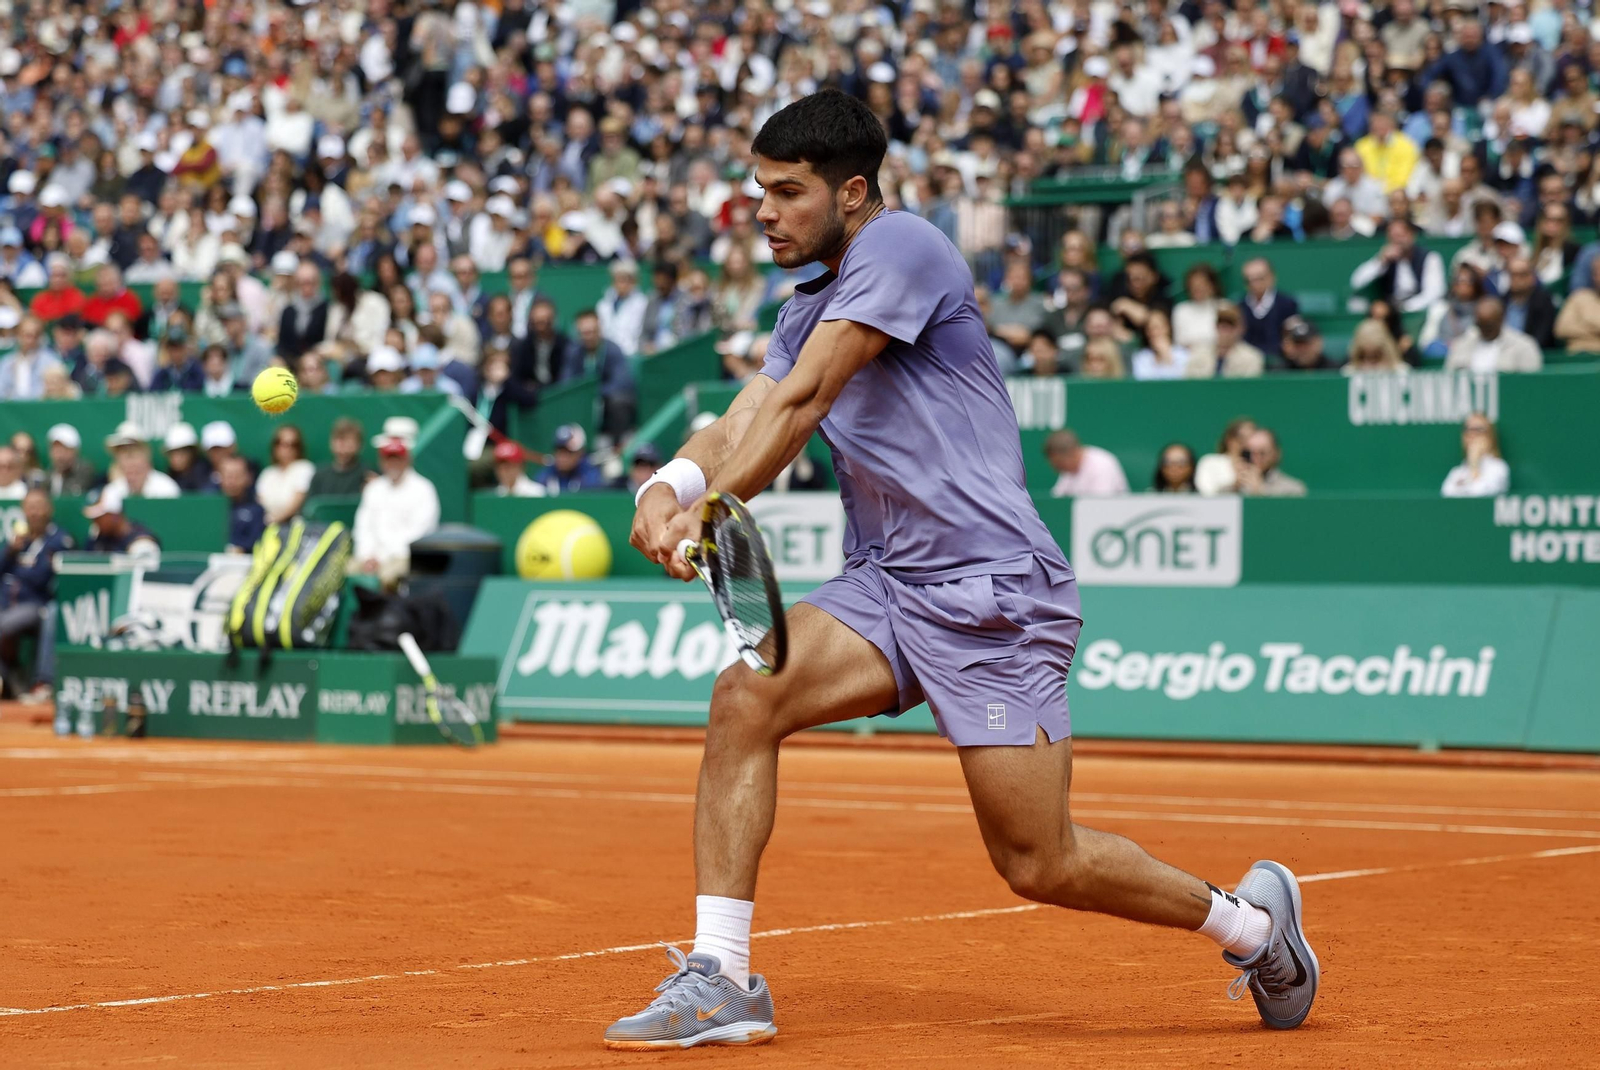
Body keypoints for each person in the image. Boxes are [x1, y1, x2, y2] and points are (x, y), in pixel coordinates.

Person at [614, 92, 1318, 1051]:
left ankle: (1253, 926)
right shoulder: (807, 303)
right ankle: (723, 975)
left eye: (786, 192)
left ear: (853, 192)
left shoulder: (904, 248)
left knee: (1039, 862)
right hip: (886, 586)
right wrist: (669, 482)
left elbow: (805, 401)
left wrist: (706, 509)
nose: (763, 212)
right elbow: (751, 413)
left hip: (993, 591)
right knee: (746, 695)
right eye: (758, 191)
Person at [0, 487, 73, 703]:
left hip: (35, 605)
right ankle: (10, 675)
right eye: (30, 508)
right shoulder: (17, 541)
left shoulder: (60, 539)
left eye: (39, 507)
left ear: (49, 510)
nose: (35, 513)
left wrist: (19, 570)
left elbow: (40, 578)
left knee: (3, 625)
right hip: (6, 602)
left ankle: (32, 679)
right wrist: (10, 552)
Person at [350, 426, 440, 588]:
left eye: (397, 457)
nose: (393, 463)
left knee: (389, 575)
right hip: (373, 557)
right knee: (342, 571)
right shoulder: (374, 489)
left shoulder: (423, 489)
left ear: (407, 459)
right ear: (381, 460)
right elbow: (363, 527)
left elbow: (419, 534)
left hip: (406, 557)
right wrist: (367, 556)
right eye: (388, 458)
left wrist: (381, 558)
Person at [563, 310, 637, 442]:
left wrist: (595, 393)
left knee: (619, 400)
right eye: (584, 333)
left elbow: (622, 382)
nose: (588, 337)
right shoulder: (573, 352)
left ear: (599, 329)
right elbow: (566, 382)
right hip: (582, 404)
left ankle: (617, 443)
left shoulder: (613, 349)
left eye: (592, 331)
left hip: (607, 403)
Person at [1349, 218, 1447, 312]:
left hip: (1420, 310)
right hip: (1391, 313)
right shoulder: (1385, 259)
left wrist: (1406, 307)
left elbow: (1434, 293)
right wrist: (1380, 261)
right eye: (1393, 237)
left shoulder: (1429, 258)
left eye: (1401, 236)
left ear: (1412, 236)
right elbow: (1356, 282)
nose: (1398, 241)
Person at [1445, 297, 1544, 373]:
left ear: (1501, 319)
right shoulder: (1461, 345)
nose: (1485, 329)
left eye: (1489, 325)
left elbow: (1532, 384)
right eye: (1481, 325)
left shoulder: (1524, 346)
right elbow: (1448, 378)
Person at [1238, 260, 1299, 358]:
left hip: (1281, 358)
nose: (1255, 284)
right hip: (1247, 359)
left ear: (1272, 277)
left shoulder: (1287, 303)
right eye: (1249, 280)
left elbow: (1291, 335)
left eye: (1260, 278)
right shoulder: (1239, 306)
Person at [1441, 413, 1511, 498]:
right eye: (1468, 429)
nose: (1472, 434)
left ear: (1490, 436)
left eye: (1478, 429)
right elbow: (1446, 495)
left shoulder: (1499, 468)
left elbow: (1479, 495)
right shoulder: (1457, 472)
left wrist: (1475, 464)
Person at [256, 425, 315, 525]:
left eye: (293, 444)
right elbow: (259, 501)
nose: (287, 449)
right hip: (266, 525)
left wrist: (276, 520)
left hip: (295, 526)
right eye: (281, 443)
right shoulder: (268, 473)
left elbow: (298, 499)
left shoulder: (305, 468)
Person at [1189, 303, 1264, 378]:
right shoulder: (1198, 354)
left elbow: (1250, 387)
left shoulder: (1251, 358)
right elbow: (1189, 384)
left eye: (1230, 325)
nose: (1224, 330)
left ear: (1240, 328)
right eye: (1221, 324)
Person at [82, 485, 161, 557]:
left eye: (99, 517)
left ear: (114, 515)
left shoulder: (141, 542)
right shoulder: (96, 535)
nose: (95, 522)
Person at [537, 424, 607, 495]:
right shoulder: (547, 474)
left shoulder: (590, 475)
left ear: (580, 453)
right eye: (559, 451)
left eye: (568, 452)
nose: (562, 457)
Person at [310, 418, 372, 498]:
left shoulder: (367, 475)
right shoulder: (319, 476)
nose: (344, 447)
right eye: (340, 440)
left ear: (359, 445)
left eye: (349, 441)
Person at [1237, 426, 1307, 497]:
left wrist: (1260, 492)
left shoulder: (1293, 489)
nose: (1254, 458)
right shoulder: (1237, 485)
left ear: (1275, 454)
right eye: (1248, 453)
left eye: (1262, 453)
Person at [1195, 417, 1257, 496]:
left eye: (1253, 439)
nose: (1248, 444)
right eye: (1243, 438)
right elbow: (1206, 492)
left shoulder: (1259, 468)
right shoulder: (1209, 462)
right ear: (1230, 439)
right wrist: (1233, 486)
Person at [221, 456, 267, 553]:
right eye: (228, 476)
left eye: (237, 476)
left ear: (248, 477)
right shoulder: (210, 508)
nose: (232, 482)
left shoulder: (257, 510)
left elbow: (255, 542)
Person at [45, 425, 98, 498]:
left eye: (64, 450)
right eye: (56, 450)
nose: (59, 456)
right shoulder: (49, 475)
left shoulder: (85, 471)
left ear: (75, 451)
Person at [161, 423, 214, 493]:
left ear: (192, 452)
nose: (176, 458)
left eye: (181, 452)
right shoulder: (168, 478)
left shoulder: (206, 476)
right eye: (172, 453)